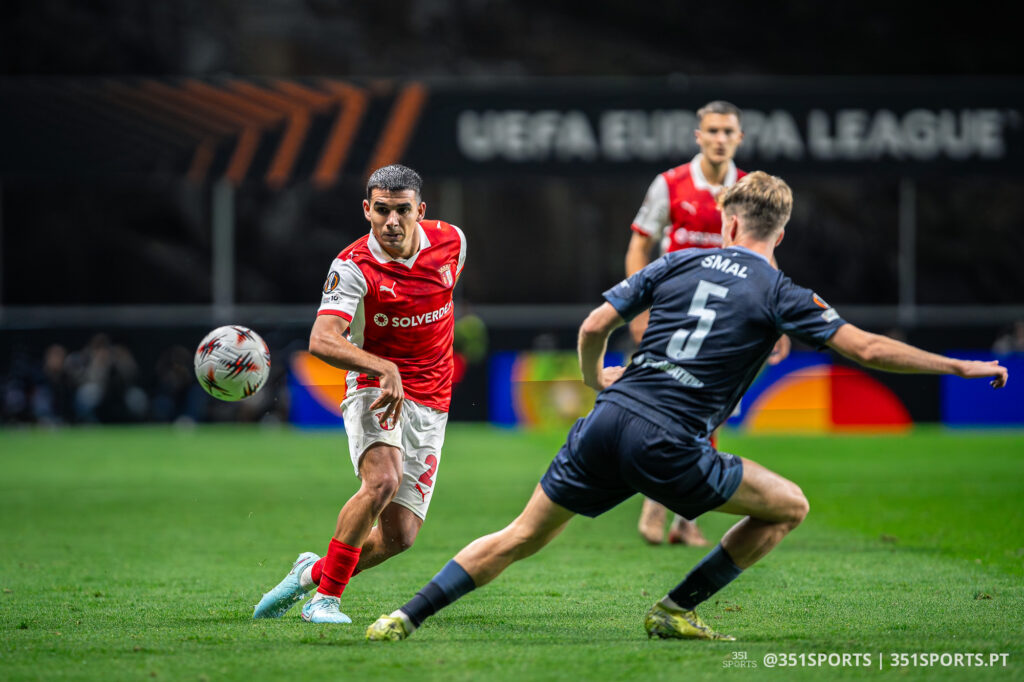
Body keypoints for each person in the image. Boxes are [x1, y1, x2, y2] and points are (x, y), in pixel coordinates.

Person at [365, 171, 1007, 642]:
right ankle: (676, 609)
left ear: (729, 224)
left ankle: (403, 616)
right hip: (669, 440)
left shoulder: (678, 262)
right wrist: (959, 366)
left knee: (520, 536)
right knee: (789, 505)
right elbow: (865, 348)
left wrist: (595, 381)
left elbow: (594, 325)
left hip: (607, 422)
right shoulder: (781, 292)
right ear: (780, 233)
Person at [252, 164, 467, 624]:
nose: (392, 221)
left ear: (421, 211)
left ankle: (309, 573)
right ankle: (325, 600)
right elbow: (322, 339)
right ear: (367, 210)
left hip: (432, 400)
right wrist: (382, 366)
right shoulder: (352, 266)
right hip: (375, 387)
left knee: (400, 537)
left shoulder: (453, 242)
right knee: (382, 482)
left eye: (402, 210)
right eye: (382, 210)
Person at [625, 100, 789, 546]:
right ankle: (661, 505)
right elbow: (639, 246)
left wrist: (778, 317)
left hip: (730, 315)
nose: (719, 139)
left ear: (740, 138)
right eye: (712, 130)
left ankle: (682, 517)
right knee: (667, 405)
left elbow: (765, 254)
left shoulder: (750, 189)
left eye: (727, 131)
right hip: (674, 313)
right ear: (699, 136)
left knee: (712, 413)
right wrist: (638, 308)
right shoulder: (670, 184)